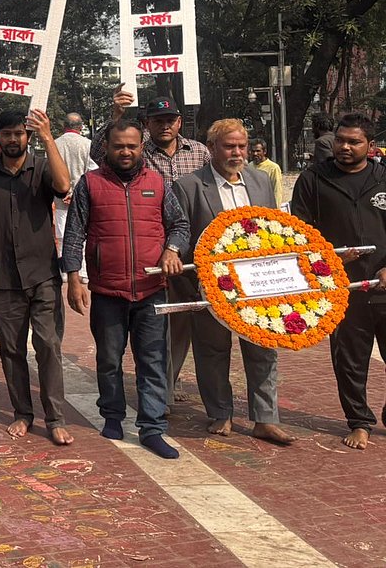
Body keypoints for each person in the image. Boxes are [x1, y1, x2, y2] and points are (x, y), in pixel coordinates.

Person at [63, 118, 190, 460]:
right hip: (108, 291)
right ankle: (113, 416)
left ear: (141, 147)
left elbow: (179, 224)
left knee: (152, 360)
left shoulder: (158, 182)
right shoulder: (90, 184)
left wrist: (172, 249)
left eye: (132, 146)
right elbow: (74, 233)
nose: (125, 151)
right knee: (108, 360)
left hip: (151, 289)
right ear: (107, 147)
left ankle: (152, 429)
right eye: (119, 145)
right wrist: (73, 277)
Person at [173, 120, 295, 445]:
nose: (237, 152)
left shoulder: (259, 181)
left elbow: (274, 230)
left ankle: (265, 419)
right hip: (211, 287)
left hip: (258, 287)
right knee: (213, 352)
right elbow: (182, 236)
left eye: (241, 146)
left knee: (263, 350)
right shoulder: (188, 186)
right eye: (229, 146)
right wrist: (190, 284)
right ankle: (220, 413)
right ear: (211, 148)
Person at [92, 89, 208, 401]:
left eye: (170, 119)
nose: (165, 126)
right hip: (151, 255)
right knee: (164, 328)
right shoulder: (138, 155)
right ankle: (163, 394)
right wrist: (115, 117)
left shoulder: (199, 152)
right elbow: (99, 154)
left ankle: (174, 387)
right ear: (147, 125)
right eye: (158, 121)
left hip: (193, 249)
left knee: (194, 325)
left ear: (180, 122)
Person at [0, 109, 72, 445]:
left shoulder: (40, 168)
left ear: (28, 137)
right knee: (11, 349)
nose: (14, 139)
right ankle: (22, 413)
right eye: (7, 134)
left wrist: (47, 137)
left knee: (48, 346)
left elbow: (64, 185)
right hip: (3, 277)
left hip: (42, 274)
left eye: (19, 133)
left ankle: (54, 418)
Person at [291, 112, 386, 450]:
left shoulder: (383, 176)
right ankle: (359, 421)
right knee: (349, 360)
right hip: (341, 289)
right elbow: (299, 230)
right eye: (340, 140)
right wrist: (326, 257)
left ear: (370, 146)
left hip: (384, 284)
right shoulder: (315, 178)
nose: (344, 147)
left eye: (354, 142)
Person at [53, 112, 94, 257]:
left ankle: (65, 270)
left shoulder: (54, 144)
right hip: (83, 198)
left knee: (62, 234)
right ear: (81, 127)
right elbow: (92, 171)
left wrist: (66, 193)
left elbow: (50, 171)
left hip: (60, 197)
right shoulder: (88, 144)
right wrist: (75, 193)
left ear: (64, 126)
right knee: (82, 233)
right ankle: (83, 272)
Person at [249, 137, 285, 205]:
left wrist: (275, 211)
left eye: (258, 151)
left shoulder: (273, 168)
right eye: (253, 151)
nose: (255, 154)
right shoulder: (249, 167)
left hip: (267, 208)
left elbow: (277, 191)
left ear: (264, 151)